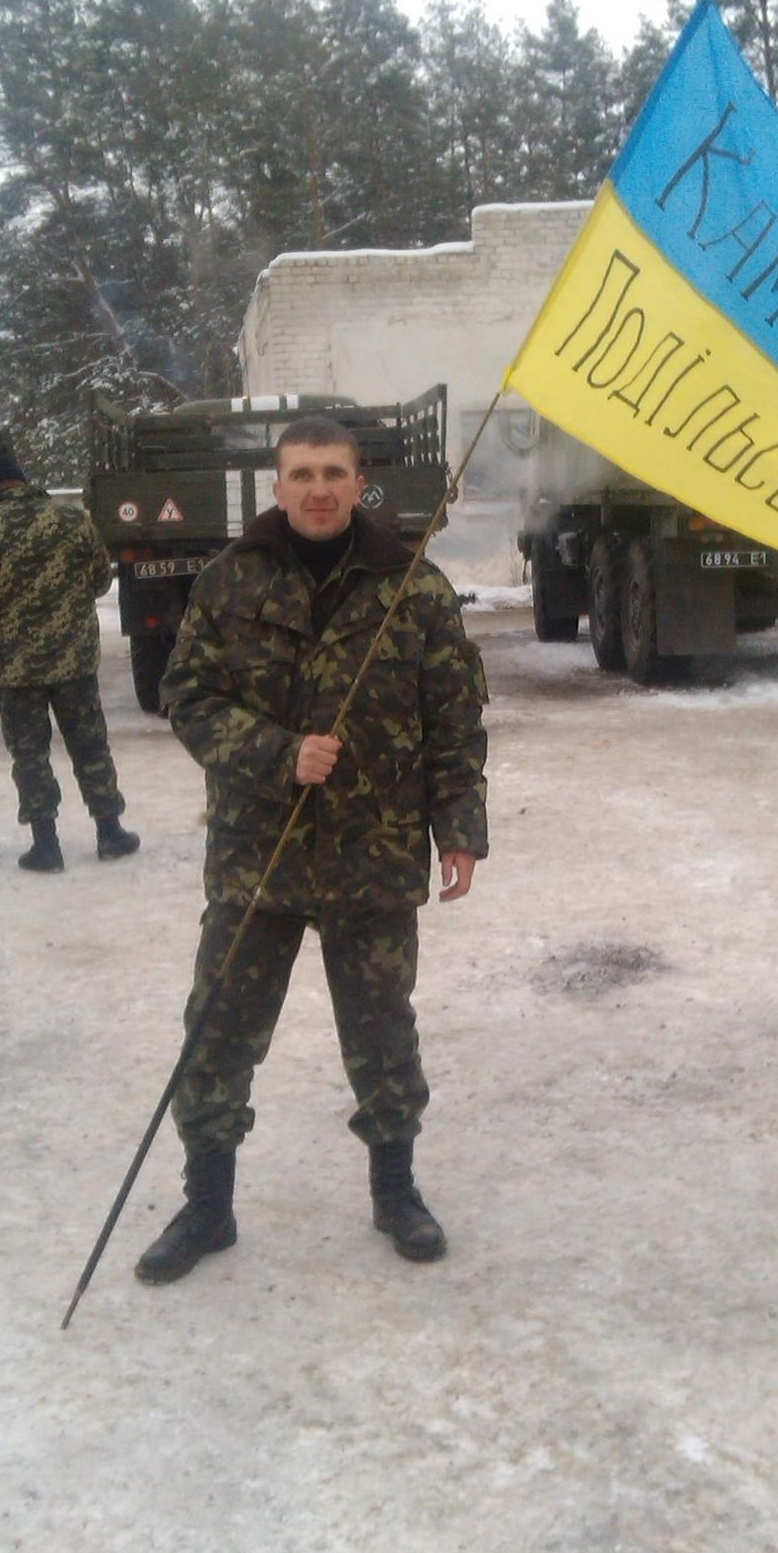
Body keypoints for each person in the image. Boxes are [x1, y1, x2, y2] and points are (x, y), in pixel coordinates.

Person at [135, 415, 488, 1285]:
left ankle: (395, 1191)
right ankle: (207, 1205)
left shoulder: (413, 586)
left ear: (359, 481)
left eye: (334, 472)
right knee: (218, 1032)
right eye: (301, 474)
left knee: (381, 1033)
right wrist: (276, 754)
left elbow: (454, 719)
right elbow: (186, 696)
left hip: (376, 855)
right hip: (259, 858)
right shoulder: (229, 580)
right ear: (277, 484)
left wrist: (461, 828)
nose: (318, 489)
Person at [0, 455, 140, 872]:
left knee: (29, 754)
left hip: (14, 668)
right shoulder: (70, 520)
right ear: (23, 481)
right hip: (75, 660)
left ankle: (45, 845)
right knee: (90, 745)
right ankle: (110, 832)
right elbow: (102, 579)